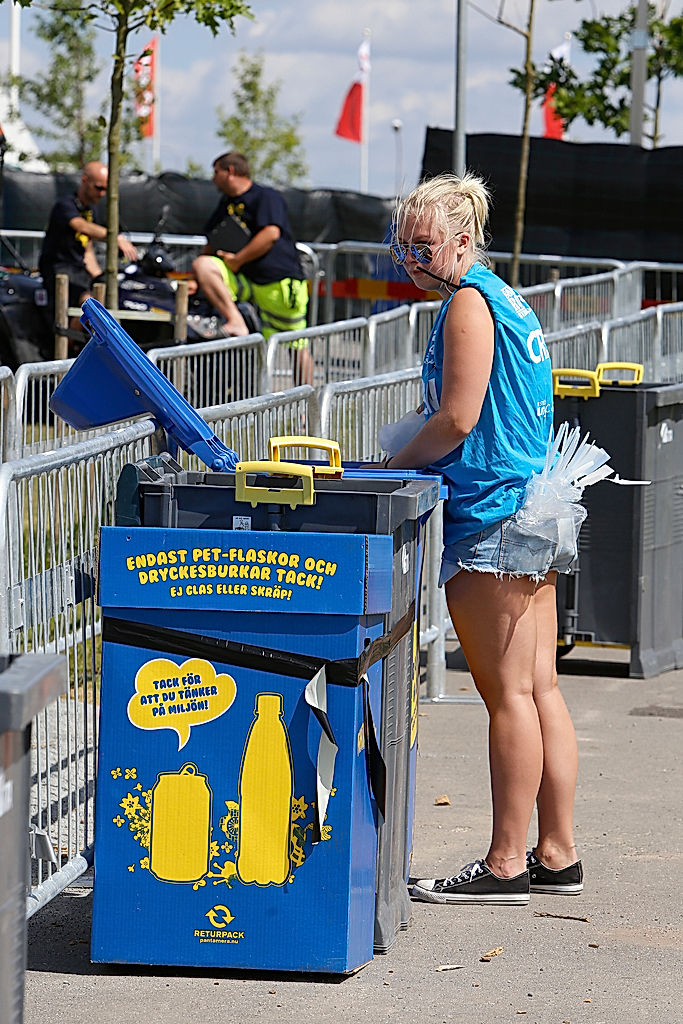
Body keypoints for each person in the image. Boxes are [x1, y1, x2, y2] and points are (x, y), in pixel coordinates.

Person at [382, 171, 583, 906]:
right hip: (530, 504)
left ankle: (505, 864)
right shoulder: (503, 296)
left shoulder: (466, 303)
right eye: (402, 244)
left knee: (509, 698)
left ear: (463, 241)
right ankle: (555, 852)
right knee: (539, 690)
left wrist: (386, 466)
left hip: (494, 514)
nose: (411, 258)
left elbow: (457, 419)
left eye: (424, 244)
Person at [193, 151, 312, 385]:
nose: (212, 178)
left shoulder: (266, 196)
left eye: (216, 172)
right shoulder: (226, 203)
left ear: (230, 171)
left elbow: (271, 234)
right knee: (203, 265)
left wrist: (237, 260)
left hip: (278, 283)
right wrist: (195, 280)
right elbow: (212, 240)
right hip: (247, 282)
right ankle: (235, 321)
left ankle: (306, 402)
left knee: (296, 344)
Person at [39, 161, 138, 328]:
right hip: (59, 270)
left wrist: (99, 276)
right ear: (85, 180)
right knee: (89, 303)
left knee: (103, 297)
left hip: (79, 270)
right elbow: (81, 226)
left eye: (105, 189)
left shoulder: (91, 210)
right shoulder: (65, 205)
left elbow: (88, 250)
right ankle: (67, 340)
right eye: (98, 188)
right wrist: (115, 238)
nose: (102, 193)